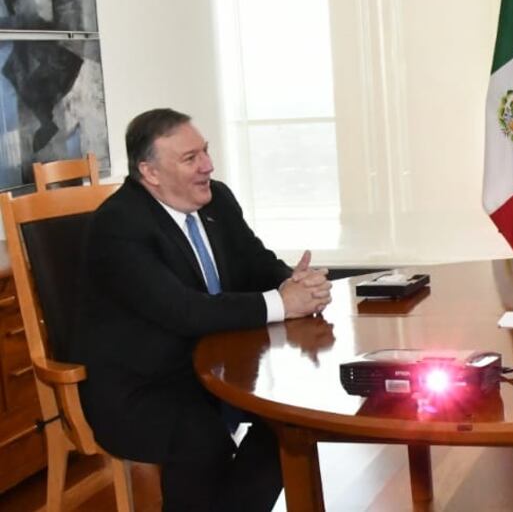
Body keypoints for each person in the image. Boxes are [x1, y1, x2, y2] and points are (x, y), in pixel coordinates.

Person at [78, 108, 333, 511]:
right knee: (201, 438)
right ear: (151, 172)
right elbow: (184, 311)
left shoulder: (218, 200)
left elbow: (256, 263)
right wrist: (281, 303)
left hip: (212, 364)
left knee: (291, 422)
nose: (208, 166)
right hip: (143, 385)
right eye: (190, 158)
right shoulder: (119, 226)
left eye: (206, 152)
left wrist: (295, 283)